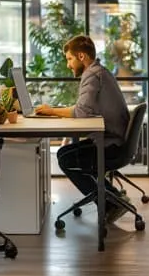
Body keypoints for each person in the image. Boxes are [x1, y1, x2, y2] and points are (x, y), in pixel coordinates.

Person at [35, 35, 131, 222]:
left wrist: (51, 111)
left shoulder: (92, 75)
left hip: (111, 145)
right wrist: (54, 111)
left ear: (81, 57)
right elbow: (85, 108)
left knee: (66, 158)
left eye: (69, 59)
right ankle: (113, 197)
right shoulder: (99, 71)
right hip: (113, 139)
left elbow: (81, 112)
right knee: (65, 154)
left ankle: (111, 203)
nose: (68, 65)